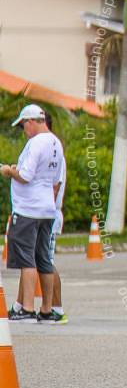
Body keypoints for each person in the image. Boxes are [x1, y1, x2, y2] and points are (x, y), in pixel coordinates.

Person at [2, 104, 64, 323]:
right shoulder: (56, 142)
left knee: (27, 259)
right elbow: (55, 180)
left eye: (23, 126)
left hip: (29, 209)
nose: (23, 131)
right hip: (47, 208)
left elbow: (26, 175)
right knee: (44, 259)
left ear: (30, 122)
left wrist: (9, 171)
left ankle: (26, 309)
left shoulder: (35, 143)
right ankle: (46, 310)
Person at [43, 112, 68, 323]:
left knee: (47, 261)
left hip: (48, 215)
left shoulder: (54, 151)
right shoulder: (49, 148)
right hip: (45, 213)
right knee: (41, 260)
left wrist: (44, 210)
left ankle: (57, 308)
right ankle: (26, 307)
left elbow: (54, 186)